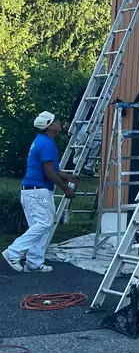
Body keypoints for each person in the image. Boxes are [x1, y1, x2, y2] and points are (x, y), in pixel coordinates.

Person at [2, 111, 77, 273]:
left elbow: (51, 169)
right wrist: (66, 188)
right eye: (56, 120)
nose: (59, 122)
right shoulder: (47, 144)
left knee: (39, 226)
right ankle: (13, 252)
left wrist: (67, 177)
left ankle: (34, 263)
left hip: (32, 190)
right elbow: (49, 172)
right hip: (38, 191)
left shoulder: (41, 141)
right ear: (49, 126)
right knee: (44, 223)